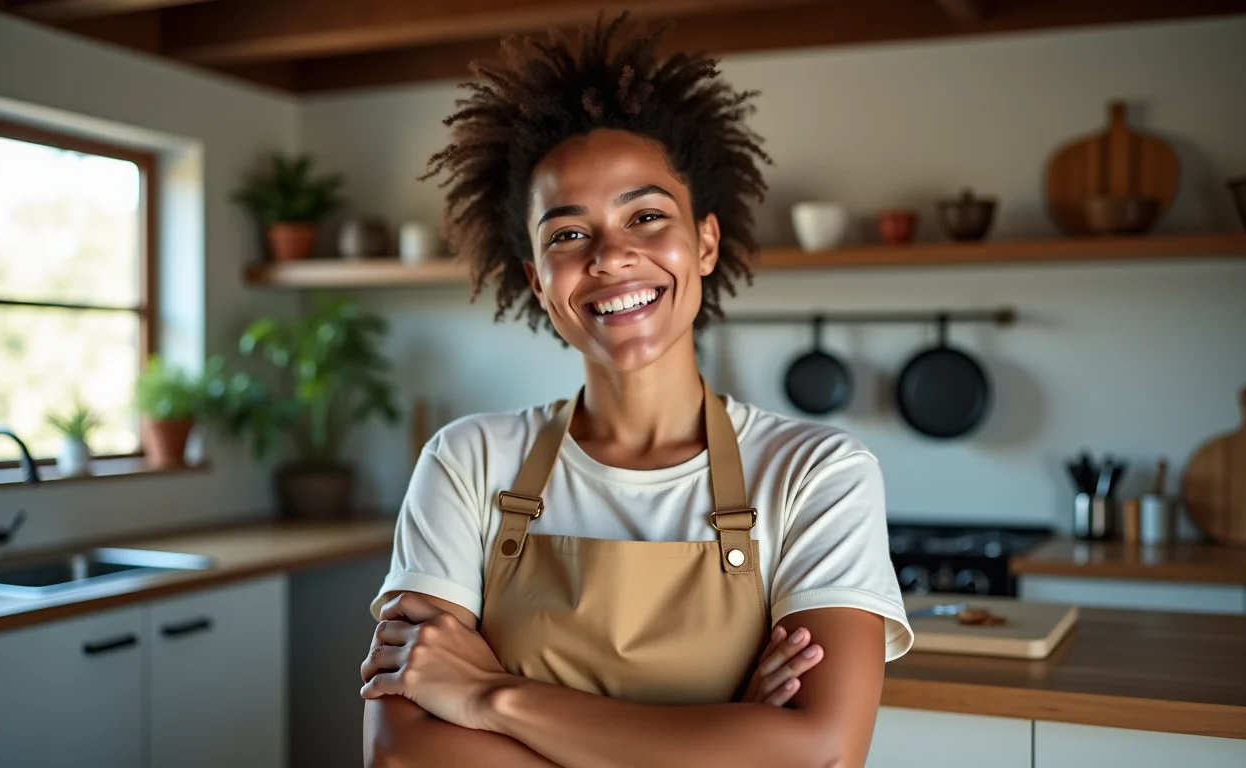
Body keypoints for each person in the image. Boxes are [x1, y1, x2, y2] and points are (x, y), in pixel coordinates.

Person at [360, 13, 913, 767]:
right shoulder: (467, 462)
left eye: (646, 217)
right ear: (536, 279)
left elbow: (821, 752)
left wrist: (493, 698)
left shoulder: (818, 473)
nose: (612, 256)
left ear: (706, 242)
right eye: (566, 234)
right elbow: (404, 755)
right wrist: (723, 742)